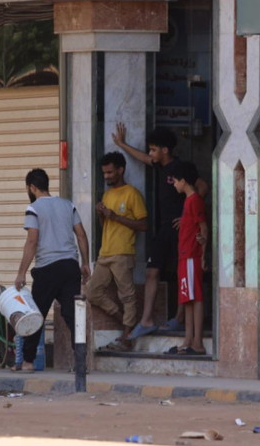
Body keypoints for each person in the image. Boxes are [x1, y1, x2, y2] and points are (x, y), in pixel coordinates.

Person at [14, 168, 91, 373]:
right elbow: (82, 235)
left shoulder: (34, 208)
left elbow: (32, 241)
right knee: (72, 314)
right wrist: (85, 262)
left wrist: (21, 272)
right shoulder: (68, 205)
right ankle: (80, 362)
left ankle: (28, 362)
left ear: (32, 187)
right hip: (69, 266)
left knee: (35, 314)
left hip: (47, 268)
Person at [113, 125, 186, 338]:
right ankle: (146, 320)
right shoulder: (159, 166)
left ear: (165, 150)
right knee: (151, 271)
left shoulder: (180, 168)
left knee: (181, 274)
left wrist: (187, 217)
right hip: (163, 229)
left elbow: (201, 188)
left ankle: (180, 318)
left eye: (154, 149)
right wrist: (121, 144)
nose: (151, 153)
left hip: (180, 229)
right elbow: (143, 158)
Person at [88, 152, 148, 352]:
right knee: (92, 292)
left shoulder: (132, 193)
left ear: (121, 170)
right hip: (105, 253)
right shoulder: (107, 194)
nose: (106, 176)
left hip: (123, 253)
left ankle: (127, 336)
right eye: (104, 173)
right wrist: (102, 215)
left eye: (109, 172)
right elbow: (106, 224)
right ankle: (126, 321)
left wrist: (114, 216)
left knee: (127, 296)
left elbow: (143, 224)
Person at [168, 161, 207, 355]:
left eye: (175, 180)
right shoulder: (188, 200)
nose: (173, 183)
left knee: (195, 298)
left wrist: (203, 254)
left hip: (192, 256)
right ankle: (189, 339)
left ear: (183, 180)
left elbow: (203, 227)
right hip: (185, 256)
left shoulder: (195, 200)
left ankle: (197, 342)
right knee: (188, 299)